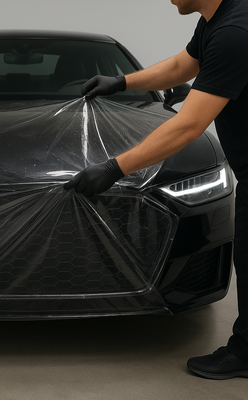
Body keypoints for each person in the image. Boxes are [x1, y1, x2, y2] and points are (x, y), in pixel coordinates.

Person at [64, 0, 248, 379]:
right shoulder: (217, 21)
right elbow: (182, 66)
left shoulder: (234, 33)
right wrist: (122, 82)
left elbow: (188, 126)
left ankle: (246, 354)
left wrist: (114, 168)